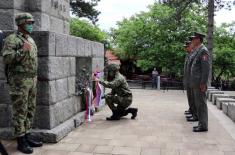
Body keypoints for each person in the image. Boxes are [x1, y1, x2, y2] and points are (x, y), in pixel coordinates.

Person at [2, 13, 43, 154]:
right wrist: (21, 51)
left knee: (30, 109)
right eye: (29, 22)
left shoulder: (30, 39)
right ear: (20, 23)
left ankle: (27, 135)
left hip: (32, 80)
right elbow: (7, 59)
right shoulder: (12, 39)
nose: (31, 24)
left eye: (32, 22)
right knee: (20, 111)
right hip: (19, 81)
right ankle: (20, 141)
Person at [190, 32, 210, 132]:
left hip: (199, 84)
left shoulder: (203, 51)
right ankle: (201, 124)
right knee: (198, 104)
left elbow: (206, 69)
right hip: (196, 83)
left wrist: (203, 83)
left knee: (201, 104)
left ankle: (203, 125)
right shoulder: (199, 50)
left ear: (198, 39)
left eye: (194, 39)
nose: (192, 41)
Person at [183, 38, 198, 122]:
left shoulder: (194, 54)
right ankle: (191, 111)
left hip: (193, 80)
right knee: (190, 97)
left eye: (187, 46)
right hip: (189, 79)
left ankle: (194, 114)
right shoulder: (189, 55)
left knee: (193, 98)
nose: (186, 48)